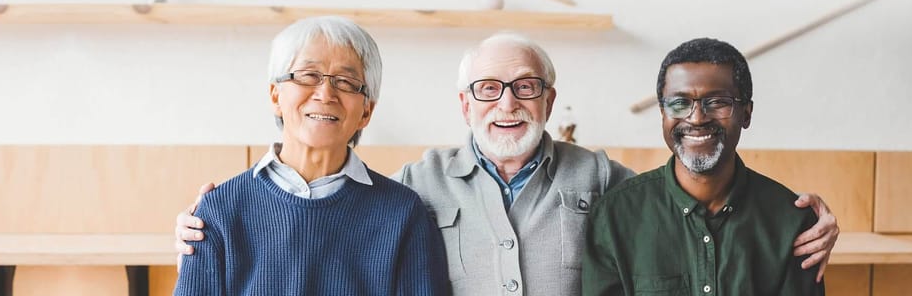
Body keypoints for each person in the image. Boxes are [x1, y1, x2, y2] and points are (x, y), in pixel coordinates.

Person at [176, 33, 839, 295]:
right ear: (464, 104)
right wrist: (213, 216)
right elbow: (332, 206)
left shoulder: (603, 178)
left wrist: (803, 220)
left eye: (526, 88)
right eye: (487, 90)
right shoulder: (411, 189)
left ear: (548, 99)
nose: (508, 105)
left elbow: (684, 202)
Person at [173, 16, 449, 295]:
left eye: (346, 81)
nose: (325, 93)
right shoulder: (218, 212)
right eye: (308, 76)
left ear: (366, 111)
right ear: (275, 96)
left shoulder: (402, 213)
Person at [582, 38, 825, 296]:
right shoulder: (614, 216)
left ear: (746, 113)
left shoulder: (791, 221)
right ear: (663, 114)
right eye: (679, 103)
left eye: (718, 102)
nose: (697, 118)